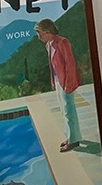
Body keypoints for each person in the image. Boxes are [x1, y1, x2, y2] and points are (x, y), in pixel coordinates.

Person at [34, 19, 82, 152]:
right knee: (64, 109)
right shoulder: (49, 45)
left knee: (68, 110)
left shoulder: (63, 42)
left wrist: (69, 83)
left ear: (47, 31)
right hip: (58, 80)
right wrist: (53, 81)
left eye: (40, 33)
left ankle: (73, 140)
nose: (39, 37)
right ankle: (72, 136)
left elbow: (70, 64)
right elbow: (53, 66)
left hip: (66, 80)